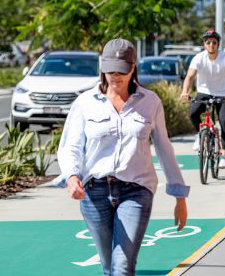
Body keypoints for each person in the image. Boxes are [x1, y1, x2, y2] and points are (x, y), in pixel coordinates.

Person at [56, 39, 189, 276]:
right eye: (110, 70)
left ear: (133, 68)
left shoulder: (150, 102)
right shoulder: (85, 103)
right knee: (109, 267)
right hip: (94, 192)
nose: (115, 76)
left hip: (136, 190)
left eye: (121, 71)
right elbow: (70, 146)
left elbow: (164, 148)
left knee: (123, 267)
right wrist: (71, 176)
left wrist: (179, 197)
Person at [180, 30, 225, 169]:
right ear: (204, 44)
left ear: (218, 44)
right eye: (208, 42)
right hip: (204, 92)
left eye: (214, 42)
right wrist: (184, 92)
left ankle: (224, 155)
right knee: (193, 113)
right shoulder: (199, 58)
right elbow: (190, 77)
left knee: (223, 120)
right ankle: (200, 135)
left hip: (223, 93)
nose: (211, 45)